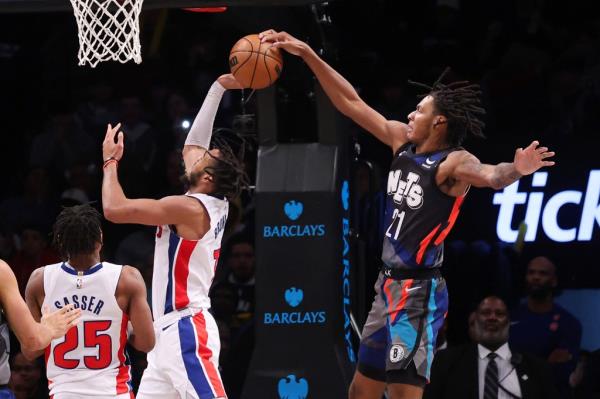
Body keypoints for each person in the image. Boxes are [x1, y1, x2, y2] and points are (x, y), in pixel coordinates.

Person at [258, 29, 556, 399]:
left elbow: (491, 176)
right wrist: (305, 53)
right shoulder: (401, 142)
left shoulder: (452, 162)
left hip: (419, 291)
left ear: (439, 122)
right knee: (361, 391)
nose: (411, 114)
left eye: (421, 110)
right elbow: (350, 101)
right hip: (387, 286)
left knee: (402, 394)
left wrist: (517, 170)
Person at [102, 73, 247, 399]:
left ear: (207, 176)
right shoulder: (213, 201)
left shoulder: (190, 209)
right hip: (164, 336)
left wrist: (110, 162)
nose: (201, 152)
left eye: (210, 155)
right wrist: (218, 87)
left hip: (186, 329)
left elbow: (114, 209)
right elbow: (194, 144)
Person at [23, 204, 155, 398]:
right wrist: (121, 329)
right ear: (100, 238)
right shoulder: (127, 279)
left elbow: (29, 351)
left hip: (63, 393)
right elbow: (146, 343)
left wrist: (48, 331)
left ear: (60, 241)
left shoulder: (39, 281)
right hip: (113, 393)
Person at [423, 296, 559, 399]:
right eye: (485, 313)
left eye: (499, 314)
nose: (492, 318)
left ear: (508, 322)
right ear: (475, 321)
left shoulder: (536, 368)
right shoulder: (446, 362)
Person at [509, 256, 582, 397]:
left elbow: (560, 373)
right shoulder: (509, 316)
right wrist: (543, 361)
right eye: (531, 272)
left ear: (554, 281)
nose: (536, 277)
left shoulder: (569, 323)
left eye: (543, 273)